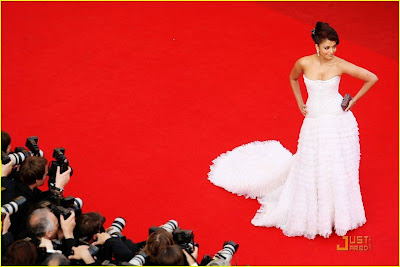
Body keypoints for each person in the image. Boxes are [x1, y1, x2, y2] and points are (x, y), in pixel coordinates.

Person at [207, 21, 378, 239]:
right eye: (327, 47)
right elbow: (292, 78)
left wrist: (353, 100)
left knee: (336, 165)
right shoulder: (303, 63)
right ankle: (317, 209)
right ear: (316, 46)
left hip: (338, 122)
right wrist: (299, 102)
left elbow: (372, 78)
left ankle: (337, 214)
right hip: (314, 120)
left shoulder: (340, 64)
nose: (331, 52)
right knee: (312, 163)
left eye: (334, 47)